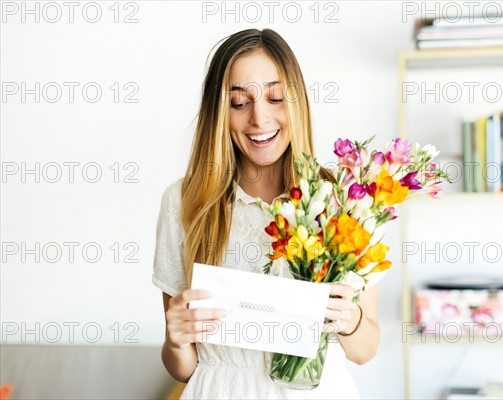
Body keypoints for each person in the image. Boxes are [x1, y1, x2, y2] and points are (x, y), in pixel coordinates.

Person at [152, 28, 380, 399]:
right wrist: (176, 340)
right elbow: (183, 366)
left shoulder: (340, 199)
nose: (259, 118)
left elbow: (366, 349)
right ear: (218, 112)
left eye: (275, 98)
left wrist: (350, 321)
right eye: (239, 103)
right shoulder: (184, 201)